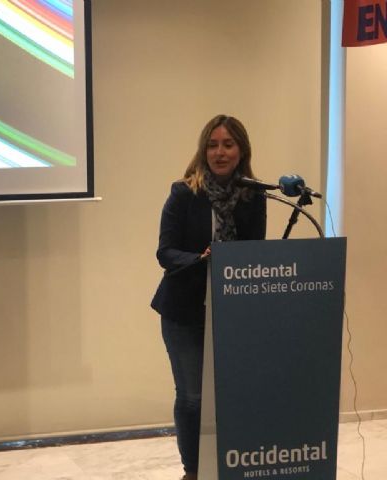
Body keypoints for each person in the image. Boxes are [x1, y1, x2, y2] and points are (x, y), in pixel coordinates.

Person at [150, 115, 266, 480]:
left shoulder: (254, 196)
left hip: (232, 312)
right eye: (213, 145)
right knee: (193, 398)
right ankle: (194, 472)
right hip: (184, 310)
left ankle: (229, 467)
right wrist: (201, 259)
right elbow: (165, 253)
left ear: (241, 150)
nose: (220, 152)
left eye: (228, 145)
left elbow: (255, 252)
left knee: (232, 396)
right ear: (204, 151)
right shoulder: (184, 193)